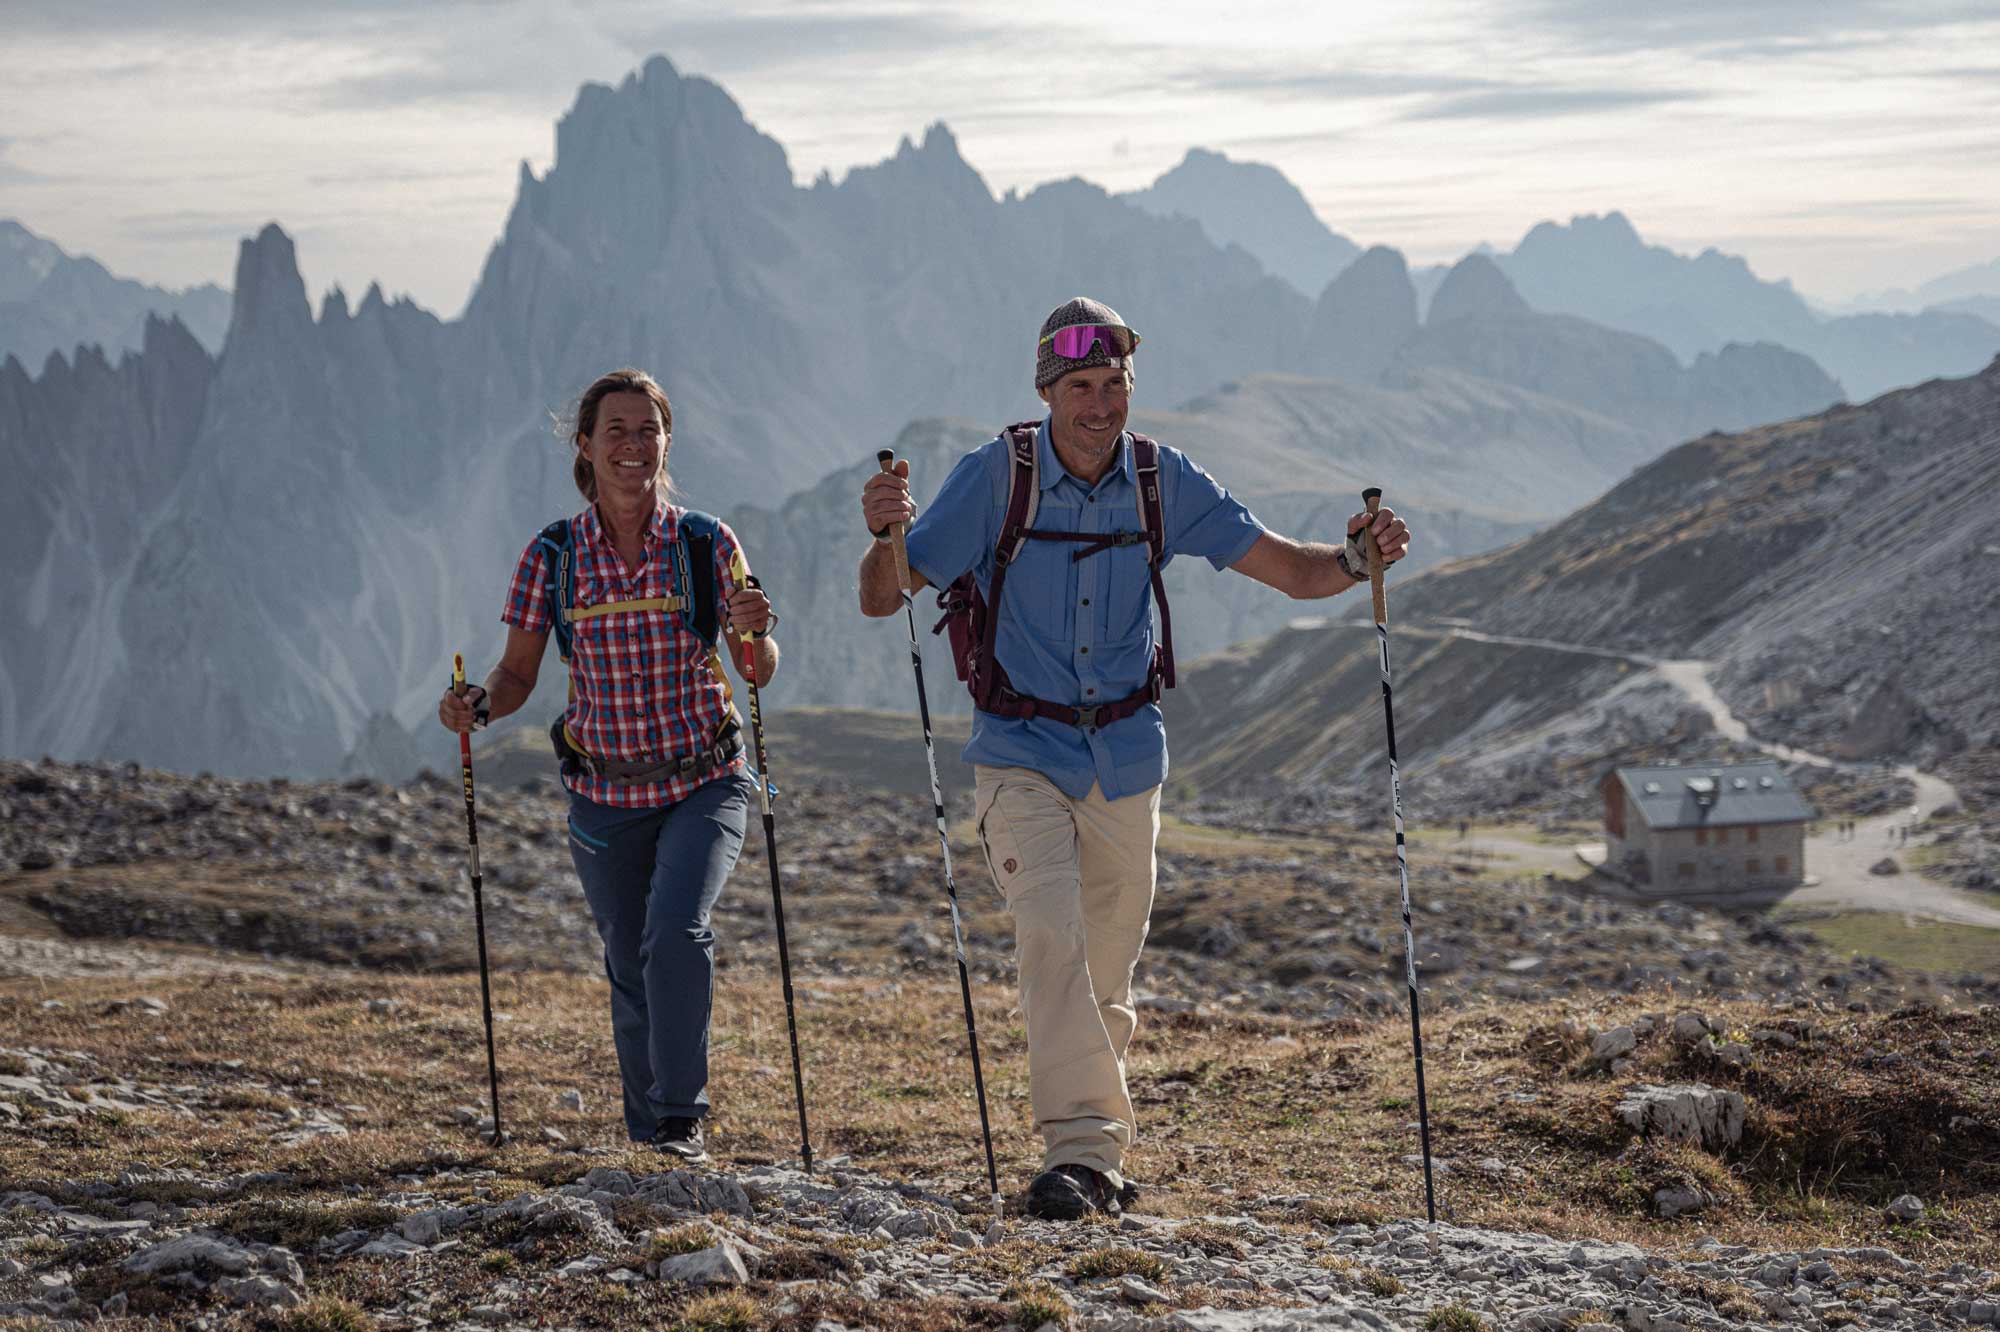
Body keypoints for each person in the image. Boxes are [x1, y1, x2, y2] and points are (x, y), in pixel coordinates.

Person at [856, 298, 1411, 1220]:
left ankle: (1099, 1157)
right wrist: (884, 537)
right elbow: (885, 597)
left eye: (1115, 385)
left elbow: (1294, 569)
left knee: (1104, 971)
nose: (1101, 404)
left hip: (1126, 757)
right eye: (1082, 386)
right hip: (1019, 755)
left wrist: (1357, 561)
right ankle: (1078, 1155)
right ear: (1047, 391)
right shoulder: (996, 476)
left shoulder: (1163, 480)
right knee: (1053, 938)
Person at [439, 368, 777, 1162]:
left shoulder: (706, 541)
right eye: (615, 431)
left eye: (647, 430)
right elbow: (518, 674)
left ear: (666, 443)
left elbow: (754, 668)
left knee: (676, 931)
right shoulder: (552, 556)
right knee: (629, 961)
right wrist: (478, 705)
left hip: (705, 779)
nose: (633, 446)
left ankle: (680, 1117)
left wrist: (757, 629)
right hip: (603, 795)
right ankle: (648, 1137)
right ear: (584, 446)